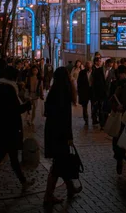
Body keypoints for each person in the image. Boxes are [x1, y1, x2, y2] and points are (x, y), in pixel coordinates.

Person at [0, 66, 34, 197]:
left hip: (0, 127)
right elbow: (14, 110)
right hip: (8, 129)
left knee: (12, 158)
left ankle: (23, 182)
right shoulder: (9, 90)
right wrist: (28, 105)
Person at [44, 67, 82, 205]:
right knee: (59, 163)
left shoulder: (54, 91)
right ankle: (48, 195)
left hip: (52, 132)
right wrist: (69, 137)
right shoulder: (64, 93)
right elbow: (65, 118)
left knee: (61, 161)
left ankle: (70, 188)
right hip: (61, 134)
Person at [91, 56, 113, 127]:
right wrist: (94, 94)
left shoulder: (111, 72)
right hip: (99, 93)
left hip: (107, 94)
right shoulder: (98, 71)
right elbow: (94, 83)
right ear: (106, 64)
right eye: (109, 66)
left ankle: (105, 122)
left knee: (106, 109)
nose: (110, 67)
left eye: (111, 66)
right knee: (100, 108)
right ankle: (101, 123)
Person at [77, 61, 92, 125]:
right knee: (84, 106)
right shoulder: (82, 72)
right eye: (87, 66)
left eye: (89, 66)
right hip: (84, 92)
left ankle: (93, 118)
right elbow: (79, 82)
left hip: (92, 92)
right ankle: (86, 118)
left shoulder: (94, 73)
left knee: (93, 106)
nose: (88, 67)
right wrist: (79, 92)